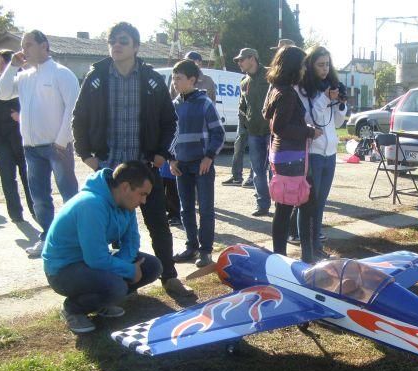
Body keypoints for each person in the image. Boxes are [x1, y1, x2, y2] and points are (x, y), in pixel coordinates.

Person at [72, 21, 193, 297]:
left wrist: (161, 154)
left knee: (158, 225)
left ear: (136, 47)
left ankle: (170, 277)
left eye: (123, 41)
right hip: (108, 170)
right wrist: (87, 156)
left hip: (145, 168)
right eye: (112, 40)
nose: (116, 45)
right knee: (109, 230)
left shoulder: (151, 80)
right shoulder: (97, 77)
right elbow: (79, 119)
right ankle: (121, 280)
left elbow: (169, 121)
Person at [43, 161, 162, 334]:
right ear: (126, 187)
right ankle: (73, 309)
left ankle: (101, 302)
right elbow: (96, 258)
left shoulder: (126, 204)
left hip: (90, 261)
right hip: (63, 269)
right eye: (142, 194)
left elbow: (132, 241)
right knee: (117, 286)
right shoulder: (91, 205)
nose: (143, 201)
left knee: (152, 266)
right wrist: (128, 270)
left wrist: (123, 265)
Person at [0, 30, 80, 257]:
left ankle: (75, 239)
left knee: (69, 193)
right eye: (22, 45)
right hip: (31, 148)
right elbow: (2, 94)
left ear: (45, 45)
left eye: (29, 44)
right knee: (40, 197)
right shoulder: (23, 76)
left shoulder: (61, 74)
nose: (24, 50)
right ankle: (48, 237)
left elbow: (73, 110)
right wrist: (12, 66)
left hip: (57, 147)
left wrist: (62, 141)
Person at [262, 45, 323, 263]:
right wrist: (310, 131)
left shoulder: (275, 88)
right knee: (305, 205)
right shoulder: (286, 93)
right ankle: (306, 259)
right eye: (302, 66)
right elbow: (280, 127)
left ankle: (283, 258)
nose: (304, 70)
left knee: (286, 207)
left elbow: (267, 116)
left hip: (283, 157)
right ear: (292, 67)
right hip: (291, 158)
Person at [169, 60, 225, 267]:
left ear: (192, 80)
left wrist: (209, 157)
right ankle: (191, 247)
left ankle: (206, 251)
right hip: (181, 165)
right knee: (185, 209)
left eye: (179, 78)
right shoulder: (173, 106)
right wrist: (171, 159)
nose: (175, 82)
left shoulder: (204, 103)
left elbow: (218, 133)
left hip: (202, 164)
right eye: (173, 78)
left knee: (206, 209)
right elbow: (168, 136)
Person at [297, 46, 348, 260]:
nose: (325, 69)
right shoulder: (303, 90)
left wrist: (341, 104)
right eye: (320, 64)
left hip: (330, 153)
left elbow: (336, 123)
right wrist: (325, 99)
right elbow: (313, 122)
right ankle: (308, 249)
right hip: (313, 152)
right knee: (309, 203)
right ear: (310, 65)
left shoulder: (330, 87)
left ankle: (316, 245)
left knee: (321, 202)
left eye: (327, 64)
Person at [0, 49, 34, 223]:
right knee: (7, 176)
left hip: (22, 136)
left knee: (28, 176)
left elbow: (29, 103)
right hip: (0, 139)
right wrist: (11, 113)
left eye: (3, 62)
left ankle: (36, 211)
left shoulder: (25, 80)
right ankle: (15, 213)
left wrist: (19, 114)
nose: (0, 67)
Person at [234, 48, 271, 216]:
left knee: (275, 170)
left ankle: (281, 204)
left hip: (272, 132)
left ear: (252, 59)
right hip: (254, 133)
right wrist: (244, 124)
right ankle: (262, 205)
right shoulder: (244, 82)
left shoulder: (271, 75)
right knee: (257, 170)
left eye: (242, 60)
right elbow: (242, 106)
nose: (239, 63)